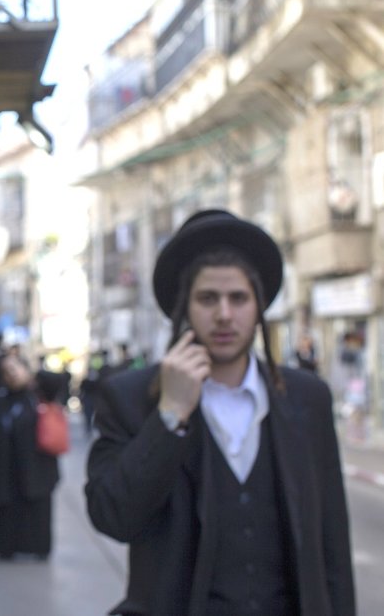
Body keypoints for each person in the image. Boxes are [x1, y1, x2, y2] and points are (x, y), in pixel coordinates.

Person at [85, 209, 354, 615]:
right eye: (208, 298)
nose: (224, 314)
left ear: (258, 306)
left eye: (238, 298)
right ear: (185, 308)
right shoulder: (132, 398)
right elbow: (112, 517)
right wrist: (170, 415)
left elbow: (332, 543)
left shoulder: (306, 398)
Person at [0, 353, 60, 560]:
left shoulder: (39, 394)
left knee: (38, 508)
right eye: (6, 372)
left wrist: (33, 374)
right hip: (6, 467)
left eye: (15, 369)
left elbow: (60, 379)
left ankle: (38, 547)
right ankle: (7, 547)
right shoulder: (0, 398)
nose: (11, 375)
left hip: (37, 467)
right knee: (8, 508)